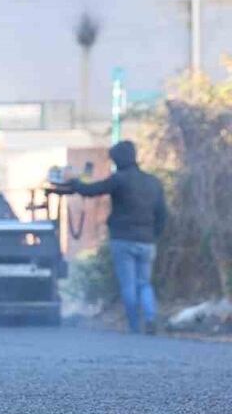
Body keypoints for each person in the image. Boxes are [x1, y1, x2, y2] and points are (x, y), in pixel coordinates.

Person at [59, 140, 167, 335]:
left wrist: (73, 181)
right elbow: (162, 214)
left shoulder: (119, 179)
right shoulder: (153, 182)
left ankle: (134, 325)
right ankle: (151, 318)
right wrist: (153, 235)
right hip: (147, 240)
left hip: (122, 239)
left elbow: (90, 190)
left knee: (128, 284)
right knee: (144, 283)